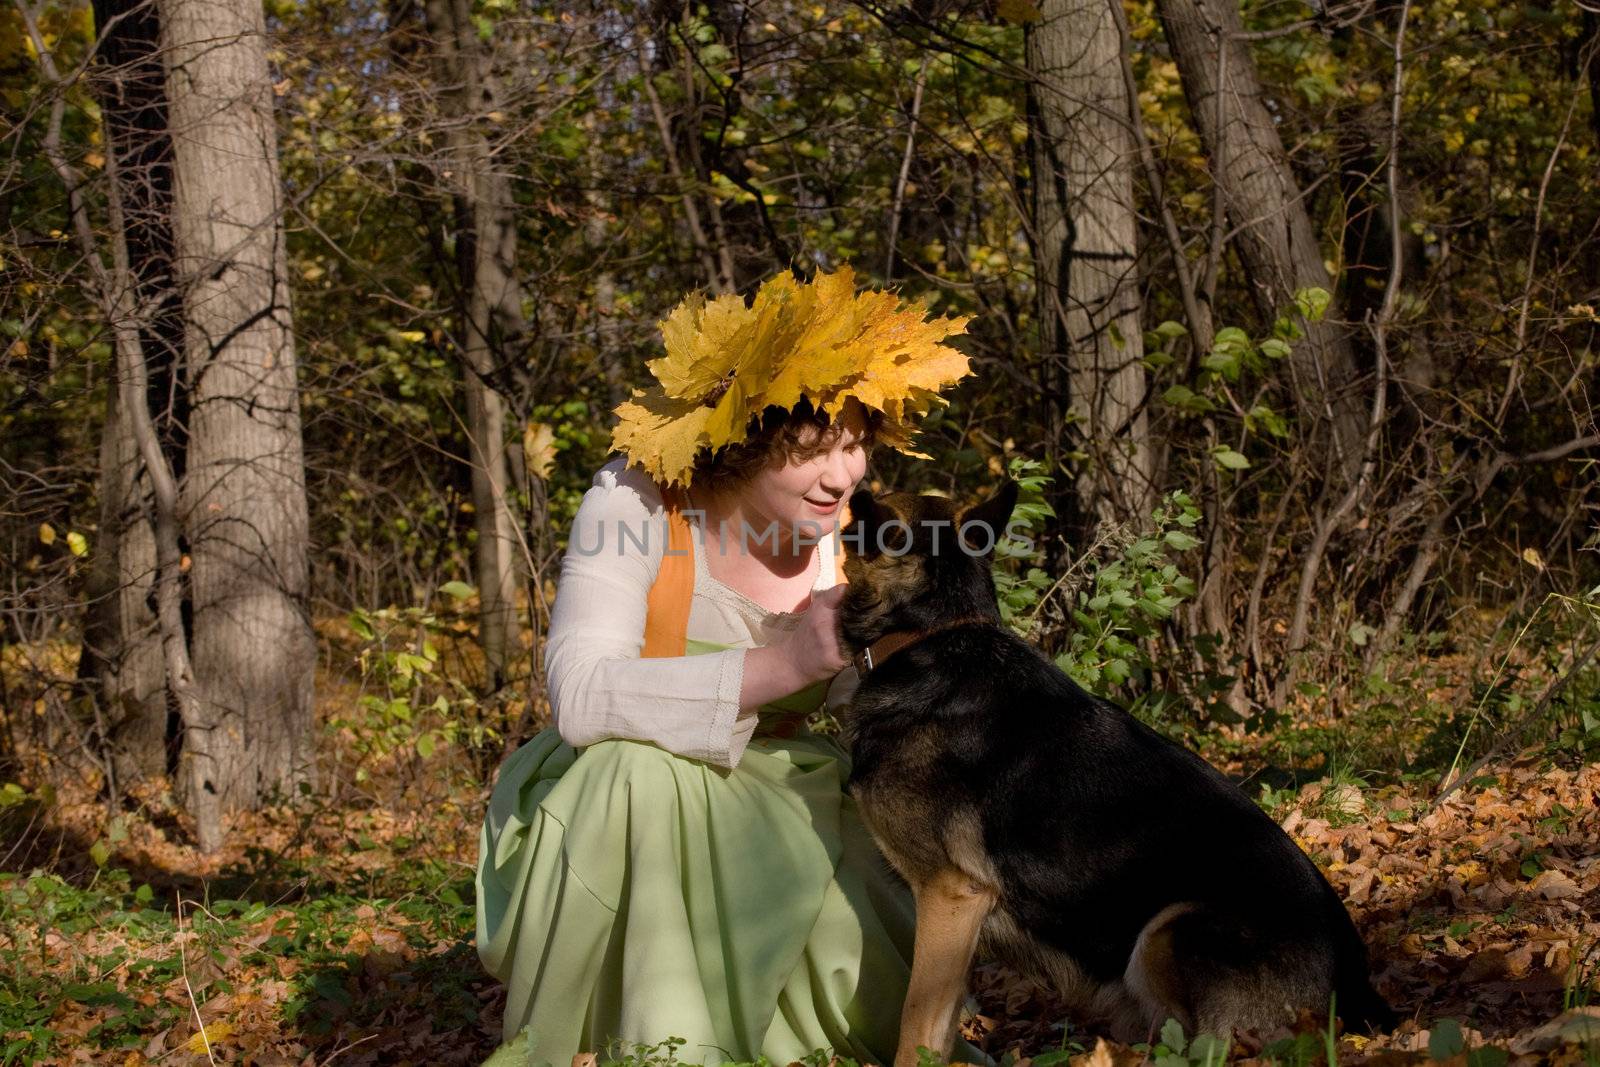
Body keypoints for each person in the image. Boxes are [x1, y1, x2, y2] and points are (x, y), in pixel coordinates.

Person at [475, 267, 980, 1067]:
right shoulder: (637, 497)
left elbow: (884, 719)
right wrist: (781, 660)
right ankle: (652, 1046)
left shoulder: (855, 536)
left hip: (788, 788)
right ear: (747, 437)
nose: (843, 475)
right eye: (815, 447)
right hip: (616, 794)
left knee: (852, 875)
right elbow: (578, 695)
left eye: (856, 445)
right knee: (635, 776)